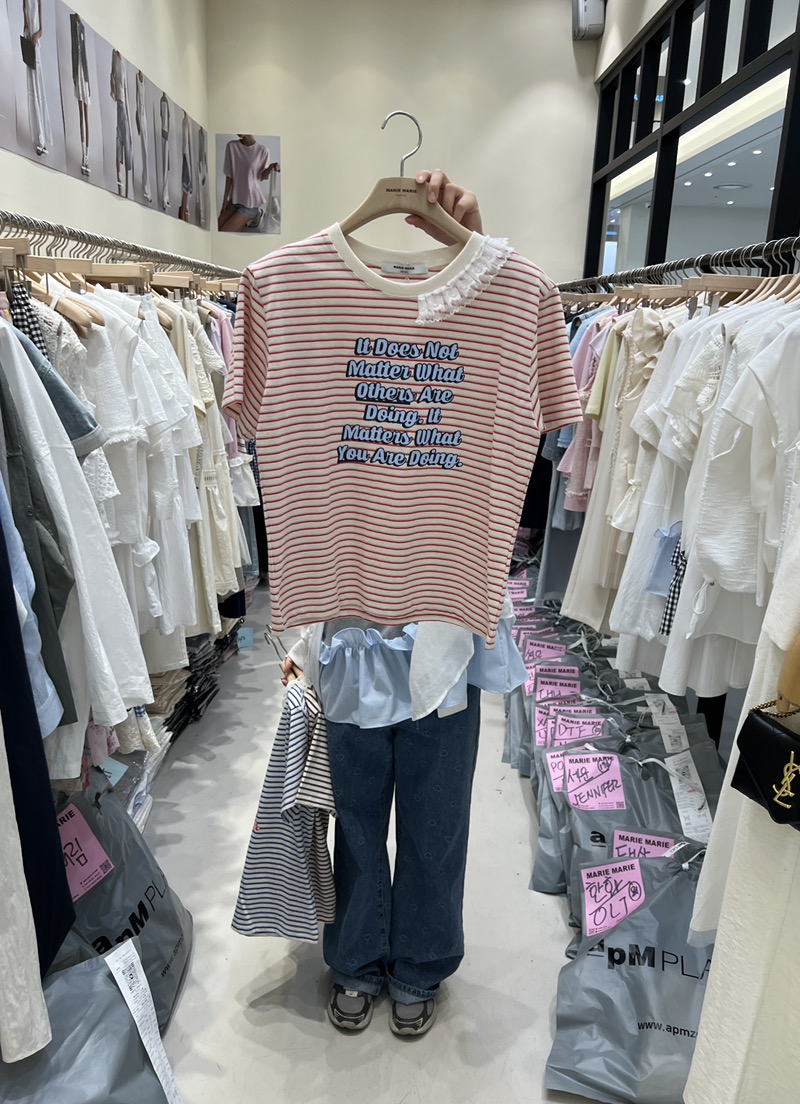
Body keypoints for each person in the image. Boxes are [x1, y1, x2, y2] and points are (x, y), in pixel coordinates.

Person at [278, 171, 516, 1038]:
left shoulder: (506, 294)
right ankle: (355, 956)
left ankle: (419, 961)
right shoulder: (290, 290)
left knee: (436, 820)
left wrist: (476, 246)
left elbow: (525, 384)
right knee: (353, 811)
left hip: (447, 620)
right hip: (346, 617)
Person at [218, 134, 279, 232]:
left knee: (225, 232)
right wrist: (225, 199)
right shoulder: (232, 146)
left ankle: (253, 215)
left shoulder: (263, 151)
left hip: (251, 203)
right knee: (217, 229)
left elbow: (261, 176)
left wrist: (271, 167)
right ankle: (248, 221)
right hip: (234, 200)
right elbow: (229, 174)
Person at [22, 0, 52, 157]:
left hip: (35, 41)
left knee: (38, 89)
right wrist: (26, 26)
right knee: (32, 89)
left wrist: (39, 32)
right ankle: (38, 137)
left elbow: (39, 12)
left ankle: (42, 139)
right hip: (28, 39)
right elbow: (24, 9)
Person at [69, 12, 90, 176]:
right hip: (78, 75)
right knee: (81, 116)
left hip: (85, 77)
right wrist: (73, 75)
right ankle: (83, 154)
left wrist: (87, 81)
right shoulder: (72, 22)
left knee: (86, 118)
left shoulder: (82, 27)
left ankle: (87, 156)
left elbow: (84, 55)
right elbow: (73, 50)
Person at [109, 49, 132, 198]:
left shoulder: (123, 60)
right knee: (123, 142)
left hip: (124, 106)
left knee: (123, 141)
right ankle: (121, 181)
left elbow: (125, 87)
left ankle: (123, 185)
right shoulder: (115, 58)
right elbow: (112, 78)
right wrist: (116, 94)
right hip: (121, 104)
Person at [135, 69, 151, 202]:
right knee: (144, 153)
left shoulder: (144, 79)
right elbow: (137, 102)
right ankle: (146, 188)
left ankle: (146, 187)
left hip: (144, 117)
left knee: (146, 154)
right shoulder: (137, 79)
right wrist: (138, 122)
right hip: (140, 117)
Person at [159, 92, 171, 210]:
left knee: (166, 167)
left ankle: (165, 197)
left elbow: (166, 119)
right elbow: (164, 119)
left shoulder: (164, 101)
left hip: (165, 136)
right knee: (165, 167)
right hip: (164, 136)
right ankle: (165, 198)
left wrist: (167, 135)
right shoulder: (163, 100)